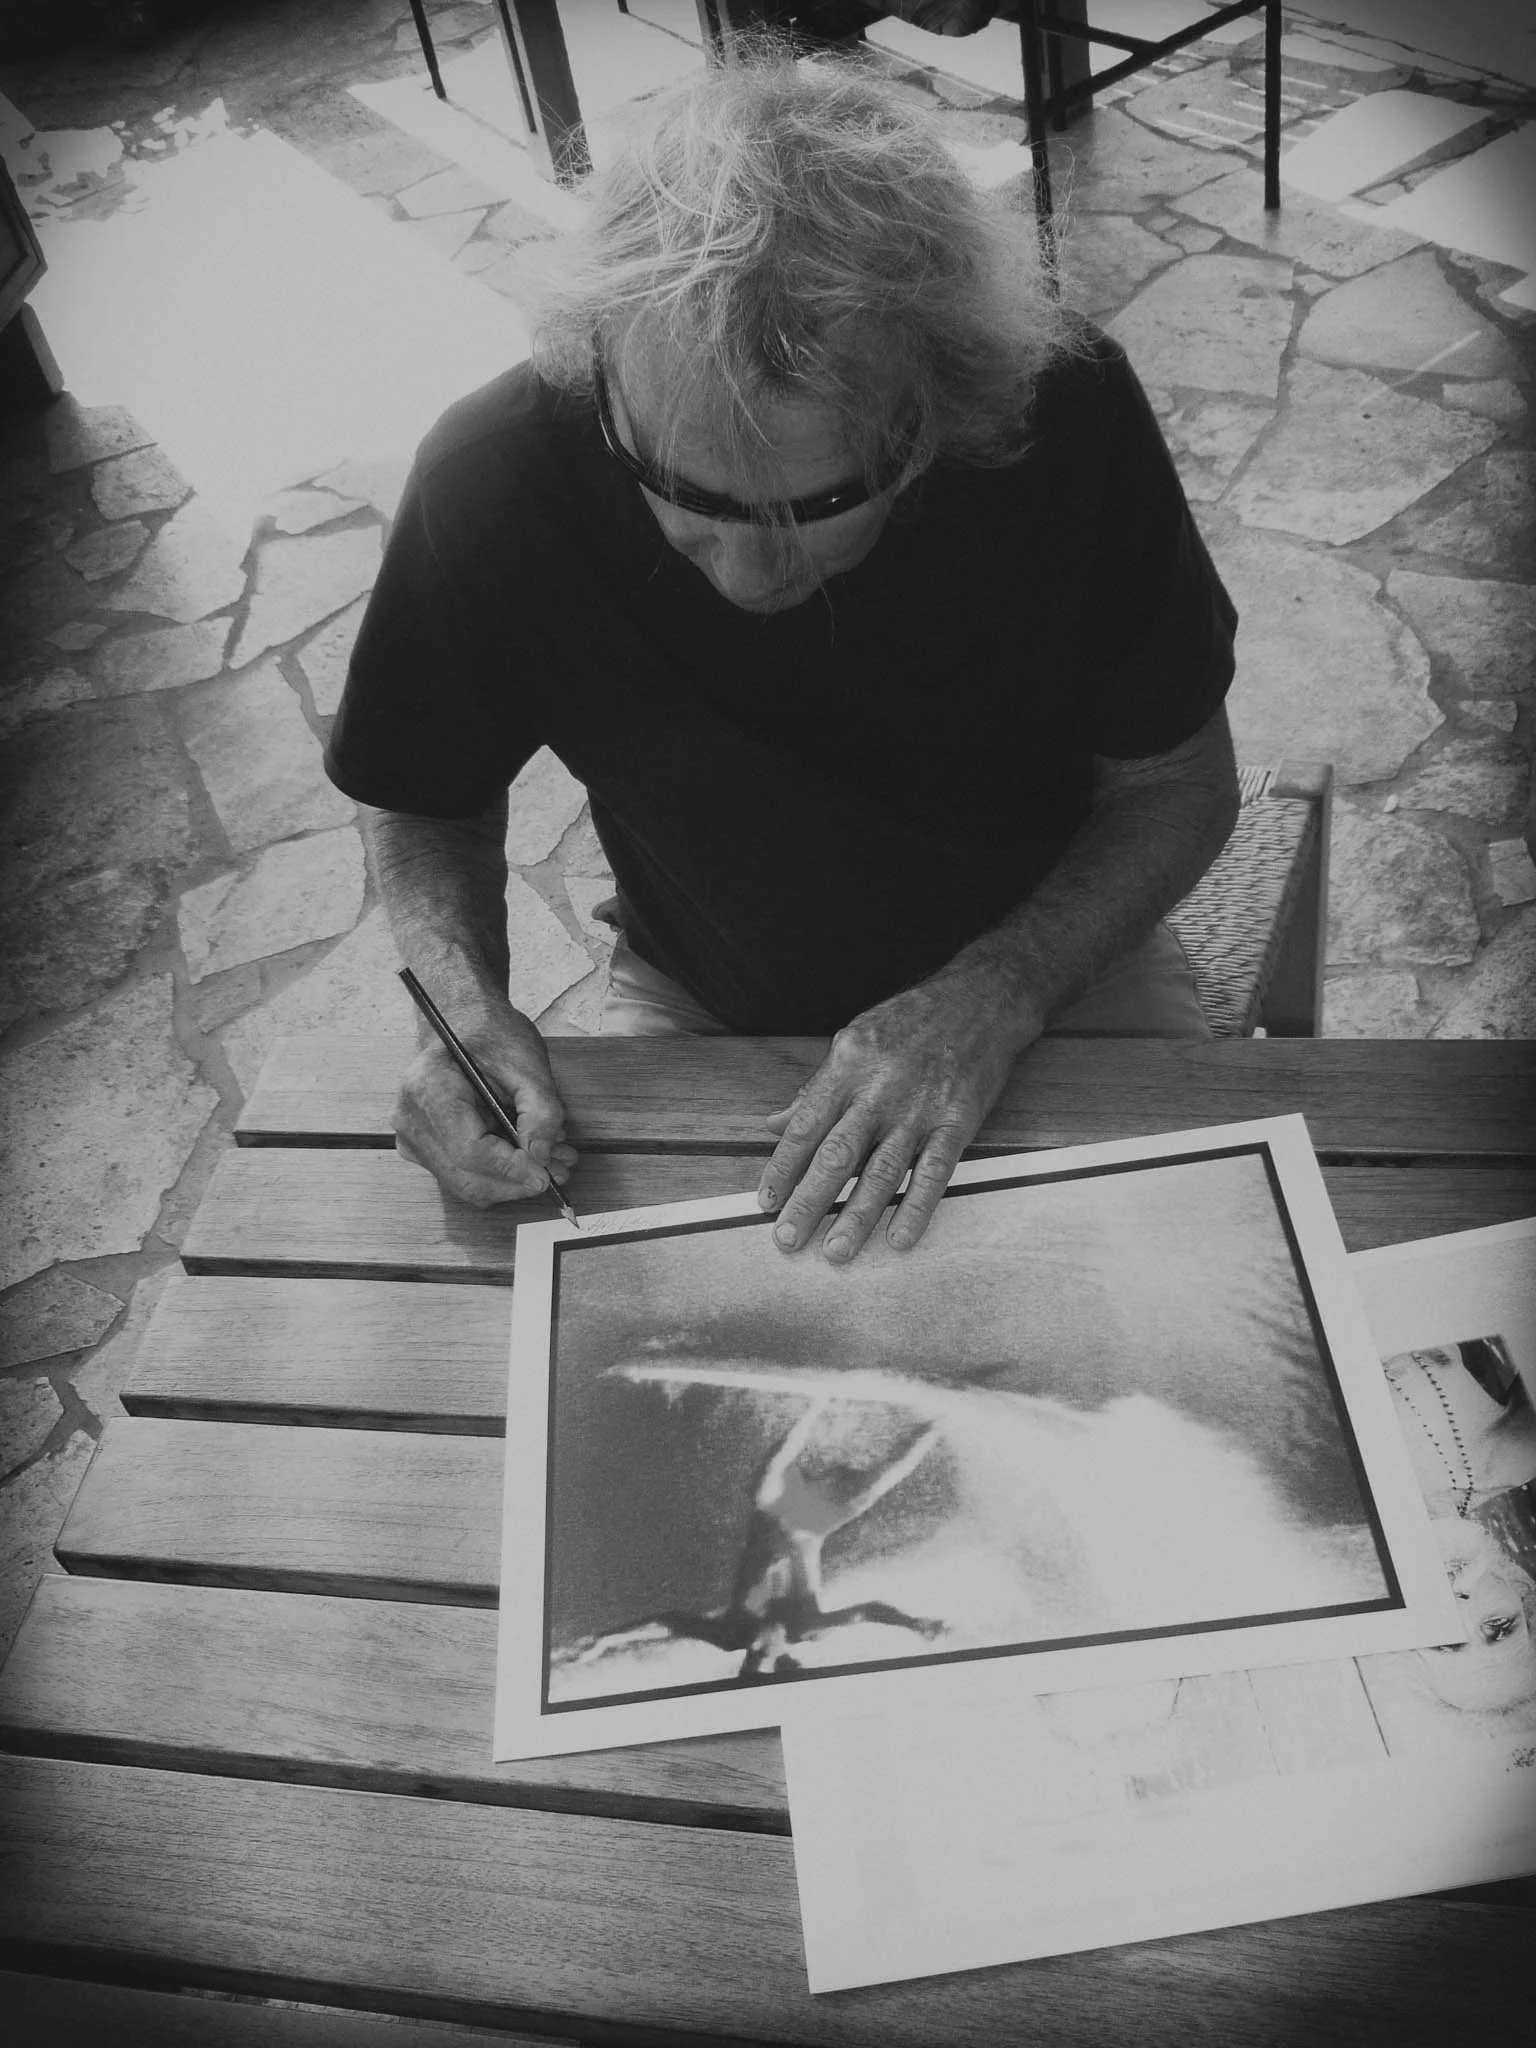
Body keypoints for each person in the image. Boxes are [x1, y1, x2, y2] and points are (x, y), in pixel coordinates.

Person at [325, 46, 1241, 1264]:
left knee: (1163, 1301)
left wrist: (995, 992)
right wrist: (460, 1008)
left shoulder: (1056, 412)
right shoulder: (494, 470)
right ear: (606, 387)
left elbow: (1177, 784)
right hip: (700, 1002)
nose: (748, 579)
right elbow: (423, 800)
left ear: (933, 420)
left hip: (1056, 971)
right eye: (686, 502)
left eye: (811, 509)